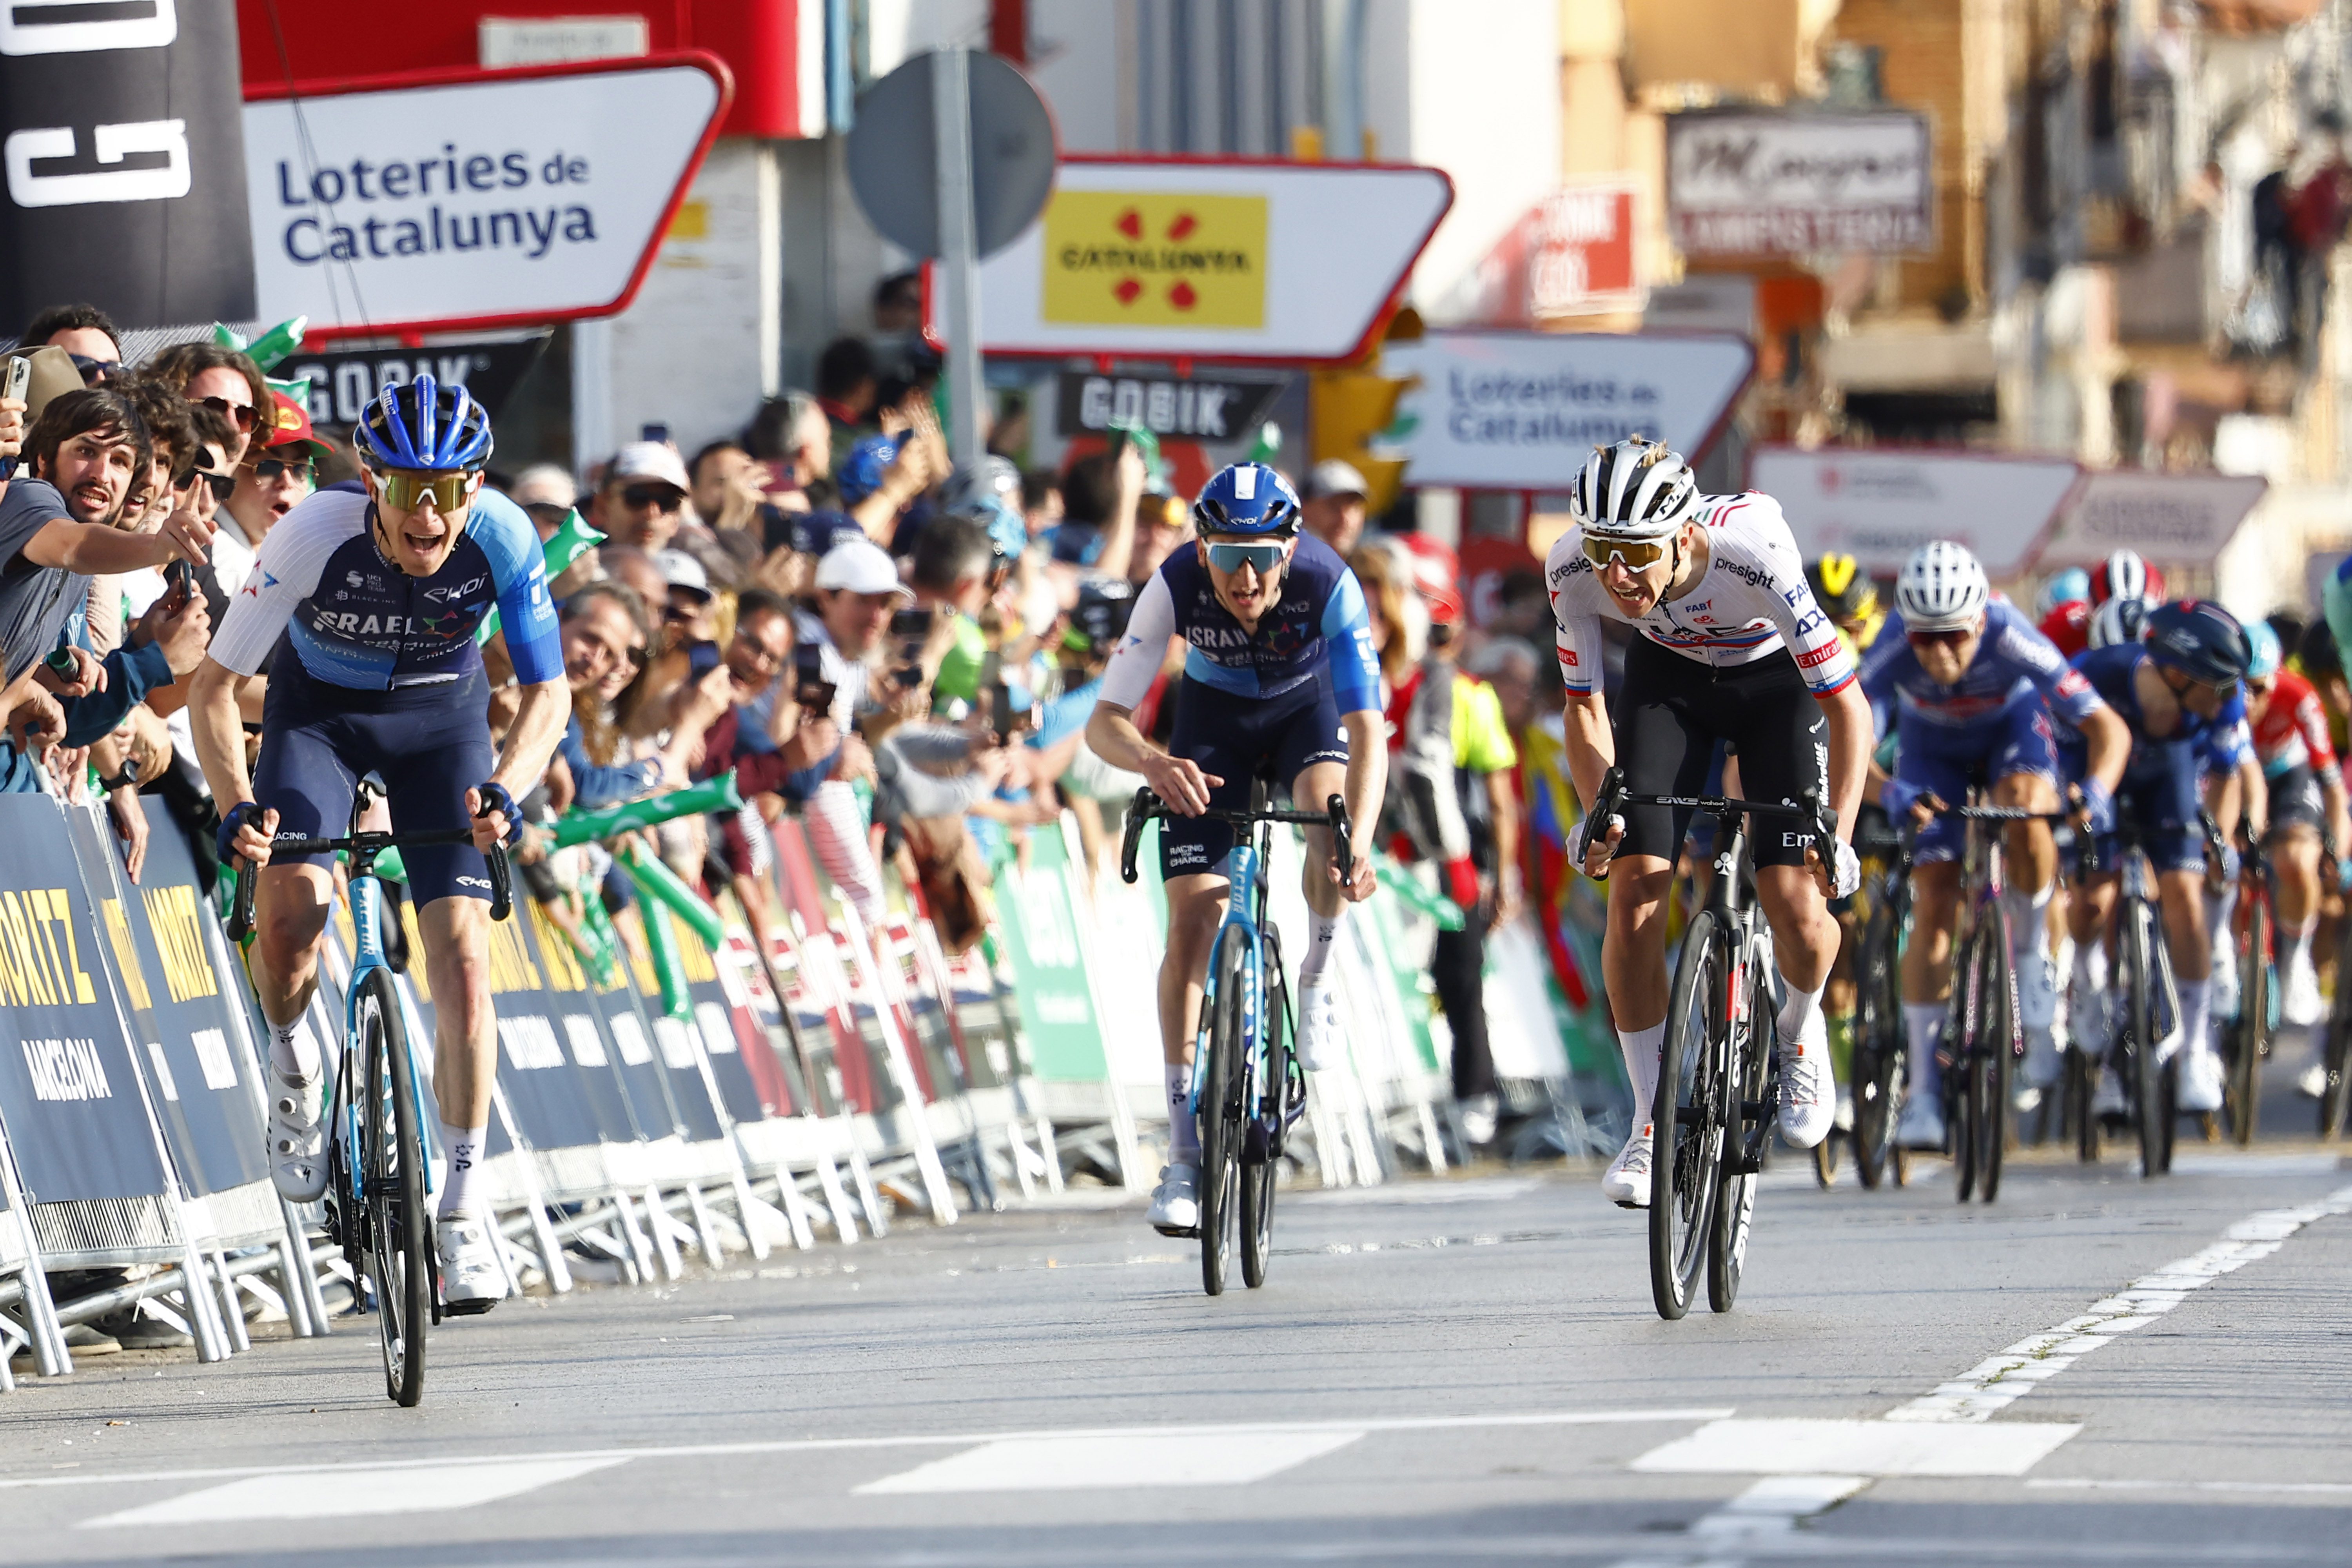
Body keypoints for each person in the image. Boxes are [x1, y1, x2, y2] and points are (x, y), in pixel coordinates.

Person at [187, 375, 571, 1314]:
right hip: (318, 720)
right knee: (290, 923)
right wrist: (238, 804)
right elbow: (211, 688)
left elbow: (550, 696)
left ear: (476, 488)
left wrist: (505, 794)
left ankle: (463, 1210)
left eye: (450, 489)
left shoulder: (506, 539)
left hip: (443, 726)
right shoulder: (313, 531)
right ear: (371, 480)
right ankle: (293, 1067)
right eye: (407, 487)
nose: (429, 512)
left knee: (466, 970)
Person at [1544, 437, 1870, 1207]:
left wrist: (1842, 832)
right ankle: (1651, 1123)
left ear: (1684, 537)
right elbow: (1584, 706)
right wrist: (1601, 814)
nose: (1616, 574)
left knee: (1796, 898)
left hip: (1776, 687)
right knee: (1635, 896)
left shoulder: (1752, 552)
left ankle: (1798, 1021)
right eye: (1602, 549)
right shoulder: (1571, 569)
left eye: (1634, 552)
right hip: (1672, 685)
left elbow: (1847, 705)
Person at [1085, 463, 1388, 1235]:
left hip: (1304, 714)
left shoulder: (1330, 581)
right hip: (1212, 724)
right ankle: (1184, 1155)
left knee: (1329, 816)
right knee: (1190, 925)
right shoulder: (1175, 581)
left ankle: (1316, 967)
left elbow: (1370, 731)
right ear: (1203, 549)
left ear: (1290, 549)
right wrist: (1153, 762)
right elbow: (1104, 719)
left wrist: (1362, 836)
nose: (1244, 576)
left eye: (1260, 556)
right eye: (1226, 557)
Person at [1860, 542, 2130, 1145]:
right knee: (1934, 900)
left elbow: (2105, 727)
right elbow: (1851, 748)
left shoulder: (2010, 632)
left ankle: (2032, 959)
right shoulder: (1895, 646)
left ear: (1980, 620)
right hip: (1931, 746)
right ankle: (1925, 1094)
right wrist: (1892, 792)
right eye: (1925, 638)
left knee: (2028, 806)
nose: (1939, 652)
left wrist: (2098, 791)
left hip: (2012, 729)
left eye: (1953, 635)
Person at [2058, 599, 2256, 1118]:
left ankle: (2193, 1049)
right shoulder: (2093, 676)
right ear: (2177, 673)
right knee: (2092, 901)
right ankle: (2088, 983)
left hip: (2168, 774)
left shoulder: (2223, 706)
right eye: (2220, 685)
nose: (2231, 697)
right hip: (2096, 766)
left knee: (2185, 896)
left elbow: (2226, 777)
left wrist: (2216, 844)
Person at [2240, 621, 2347, 1035]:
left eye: (2260, 688)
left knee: (2298, 859)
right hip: (2235, 770)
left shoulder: (2299, 695)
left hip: (2289, 773)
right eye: (2240, 689)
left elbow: (2333, 788)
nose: (2251, 701)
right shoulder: (2217, 699)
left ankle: (2297, 958)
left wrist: (2336, 850)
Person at [1300, 460, 1371, 559]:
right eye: (1333, 506)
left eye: (1354, 507)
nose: (1345, 519)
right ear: (1304, 507)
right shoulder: (1284, 566)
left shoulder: (1371, 569)